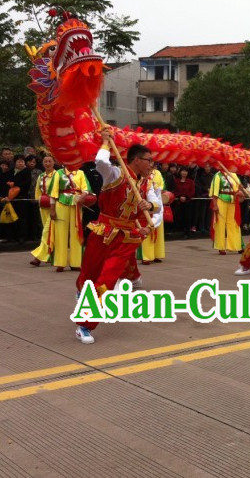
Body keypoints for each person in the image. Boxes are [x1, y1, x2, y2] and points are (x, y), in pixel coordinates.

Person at [75, 129, 160, 344]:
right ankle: (83, 293)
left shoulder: (147, 183)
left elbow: (156, 208)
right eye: (148, 160)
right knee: (89, 275)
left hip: (126, 239)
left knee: (107, 282)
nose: (151, 164)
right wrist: (105, 142)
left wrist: (149, 206)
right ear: (135, 160)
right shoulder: (116, 174)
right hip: (104, 232)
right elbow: (100, 162)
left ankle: (85, 324)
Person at [48, 162, 91, 272]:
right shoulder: (58, 173)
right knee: (60, 233)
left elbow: (86, 188)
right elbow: (53, 193)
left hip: (76, 205)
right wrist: (52, 209)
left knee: (76, 232)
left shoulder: (80, 173)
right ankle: (60, 262)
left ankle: (76, 262)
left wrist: (83, 195)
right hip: (61, 204)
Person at [30, 155, 57, 266]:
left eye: (50, 161)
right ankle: (52, 255)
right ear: (42, 163)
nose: (47, 163)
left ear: (54, 163)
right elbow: (38, 191)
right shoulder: (41, 176)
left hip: (54, 207)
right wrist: (39, 202)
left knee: (47, 232)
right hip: (43, 206)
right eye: (45, 161)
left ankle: (38, 257)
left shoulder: (58, 175)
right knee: (50, 232)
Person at [209, 169, 242, 254]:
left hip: (233, 201)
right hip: (221, 199)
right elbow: (214, 192)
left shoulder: (234, 175)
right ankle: (221, 247)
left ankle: (234, 245)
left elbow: (238, 188)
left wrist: (240, 193)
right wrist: (215, 204)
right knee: (220, 223)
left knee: (233, 223)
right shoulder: (217, 175)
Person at [139, 166, 166, 264]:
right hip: (144, 205)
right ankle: (146, 256)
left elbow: (162, 186)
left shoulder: (157, 173)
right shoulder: (141, 174)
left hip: (157, 202)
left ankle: (156, 255)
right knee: (147, 230)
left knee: (158, 231)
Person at [173, 167, 195, 238]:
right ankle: (179, 232)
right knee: (179, 217)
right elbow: (174, 190)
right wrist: (179, 197)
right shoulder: (176, 181)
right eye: (183, 171)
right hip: (178, 202)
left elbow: (192, 191)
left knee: (187, 218)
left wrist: (186, 197)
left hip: (188, 202)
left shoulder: (190, 181)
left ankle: (187, 233)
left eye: (186, 171)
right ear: (180, 172)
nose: (184, 173)